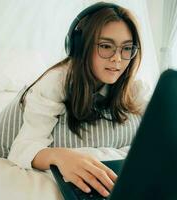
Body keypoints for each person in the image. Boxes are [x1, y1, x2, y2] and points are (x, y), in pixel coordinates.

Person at [8, 2, 150, 198]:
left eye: (127, 48)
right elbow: (22, 147)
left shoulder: (133, 86)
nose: (117, 59)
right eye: (106, 46)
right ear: (79, 46)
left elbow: (164, 126)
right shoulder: (56, 81)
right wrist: (59, 156)